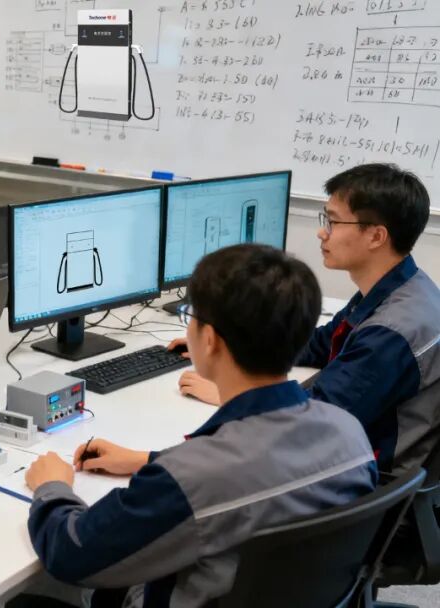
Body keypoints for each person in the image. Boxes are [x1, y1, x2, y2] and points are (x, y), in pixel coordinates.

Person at [21, 245, 377, 607]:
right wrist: (149, 460)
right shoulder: (351, 434)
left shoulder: (188, 480)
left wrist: (52, 487)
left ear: (209, 340)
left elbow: (71, 553)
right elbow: (253, 468)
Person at [173, 163, 440, 474]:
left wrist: (231, 394)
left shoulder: (391, 333)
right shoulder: (404, 286)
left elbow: (313, 421)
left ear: (376, 236)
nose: (321, 232)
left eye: (332, 221)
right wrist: (233, 346)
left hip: (362, 480)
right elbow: (320, 344)